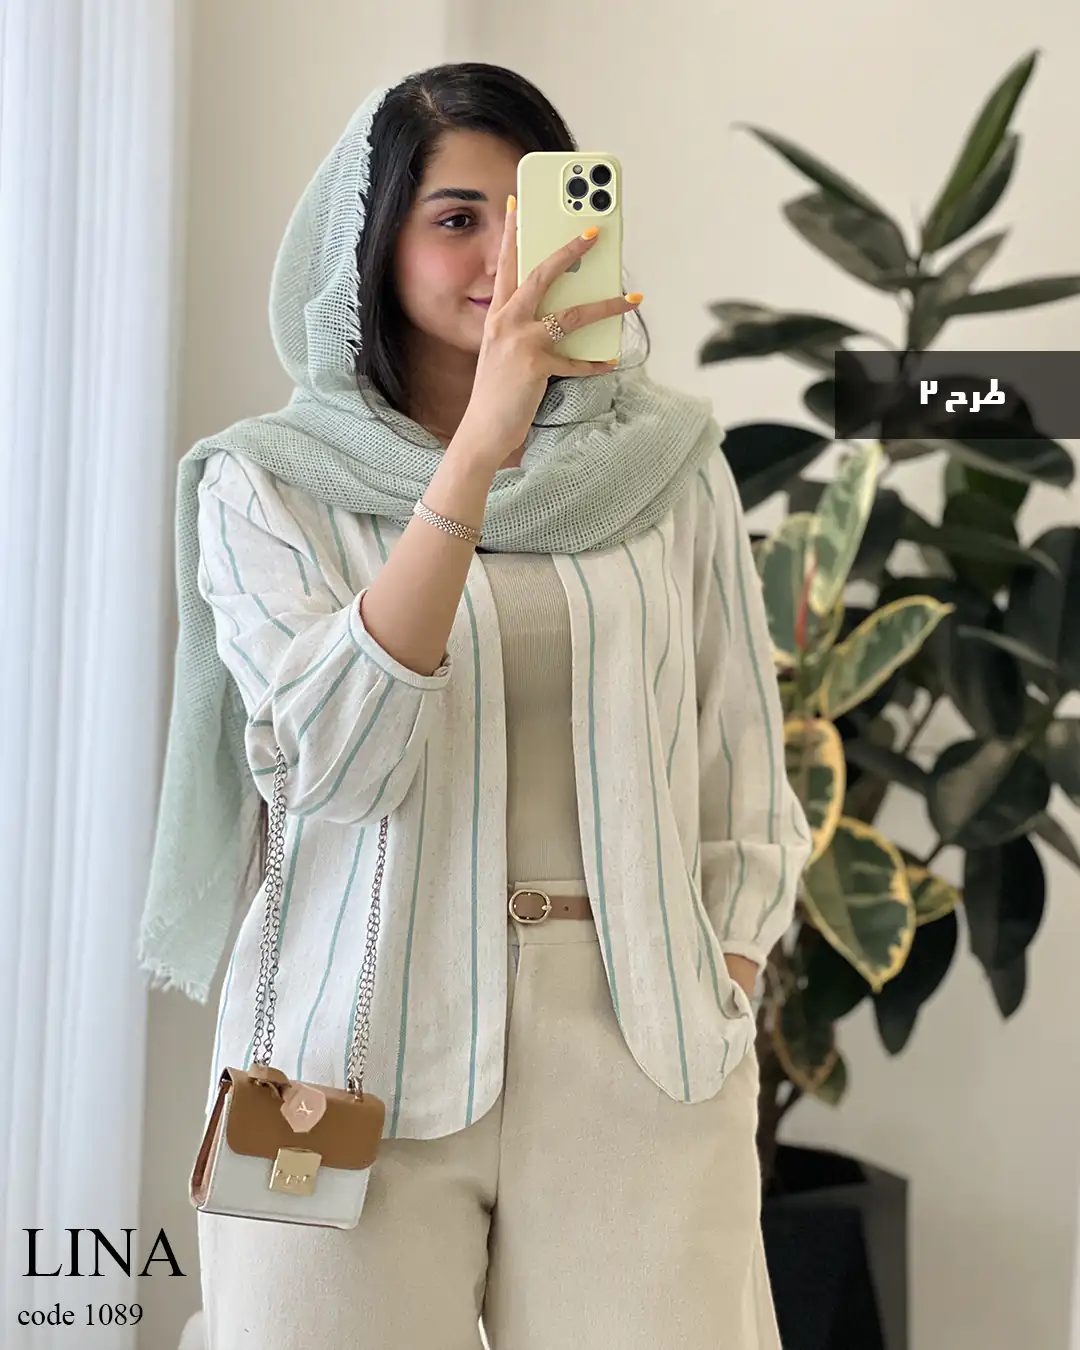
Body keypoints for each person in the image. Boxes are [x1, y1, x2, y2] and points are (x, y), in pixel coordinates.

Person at [138, 61, 813, 1350]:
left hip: (645, 1055)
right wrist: (472, 462)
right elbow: (336, 765)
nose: (509, 256)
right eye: (457, 218)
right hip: (345, 1060)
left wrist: (721, 981)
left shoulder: (670, 471)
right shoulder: (266, 489)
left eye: (534, 211)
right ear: (370, 248)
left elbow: (743, 769)